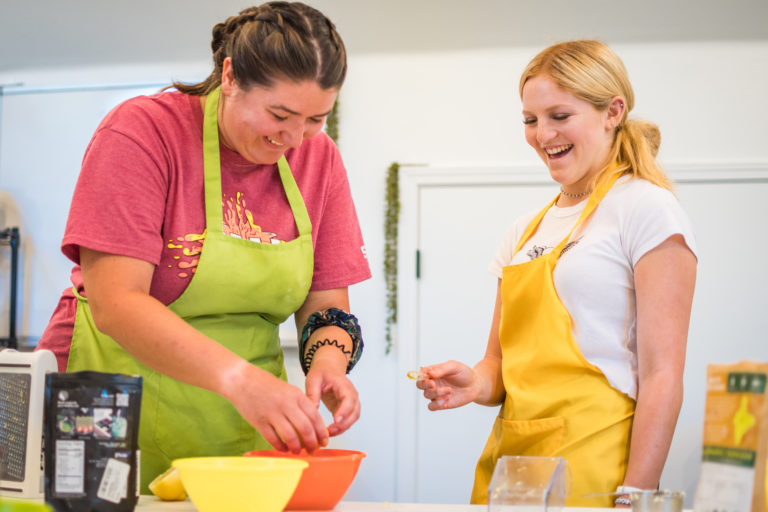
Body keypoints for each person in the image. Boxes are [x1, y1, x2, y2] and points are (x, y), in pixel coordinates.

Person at [36, 1, 371, 492]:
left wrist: (328, 362)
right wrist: (238, 380)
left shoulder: (317, 158)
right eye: (280, 114)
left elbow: (325, 303)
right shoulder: (144, 132)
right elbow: (117, 302)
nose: (295, 139)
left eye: (316, 119)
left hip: (236, 420)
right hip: (108, 405)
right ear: (231, 77)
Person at [414, 40, 697, 507]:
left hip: (598, 462)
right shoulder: (523, 232)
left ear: (613, 111)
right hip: (514, 465)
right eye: (530, 120)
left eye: (559, 116)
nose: (543, 134)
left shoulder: (646, 209)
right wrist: (475, 382)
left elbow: (663, 374)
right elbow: (500, 365)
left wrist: (637, 494)